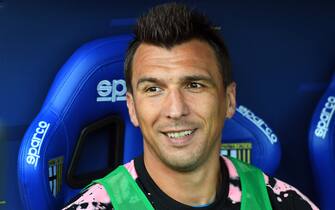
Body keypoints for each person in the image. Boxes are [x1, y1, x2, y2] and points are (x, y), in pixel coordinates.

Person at [63, 3, 319, 210]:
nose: (176, 110)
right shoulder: (93, 207)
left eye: (194, 85)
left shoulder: (285, 204)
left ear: (229, 100)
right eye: (153, 89)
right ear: (132, 108)